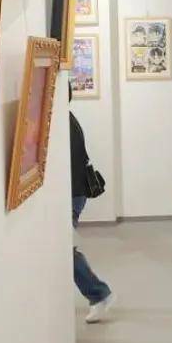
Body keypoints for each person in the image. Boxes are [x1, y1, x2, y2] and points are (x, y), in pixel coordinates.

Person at [70, 89, 114, 323]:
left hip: (72, 194)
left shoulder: (64, 124)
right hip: (73, 193)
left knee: (65, 250)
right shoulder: (67, 120)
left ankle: (99, 294)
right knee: (65, 249)